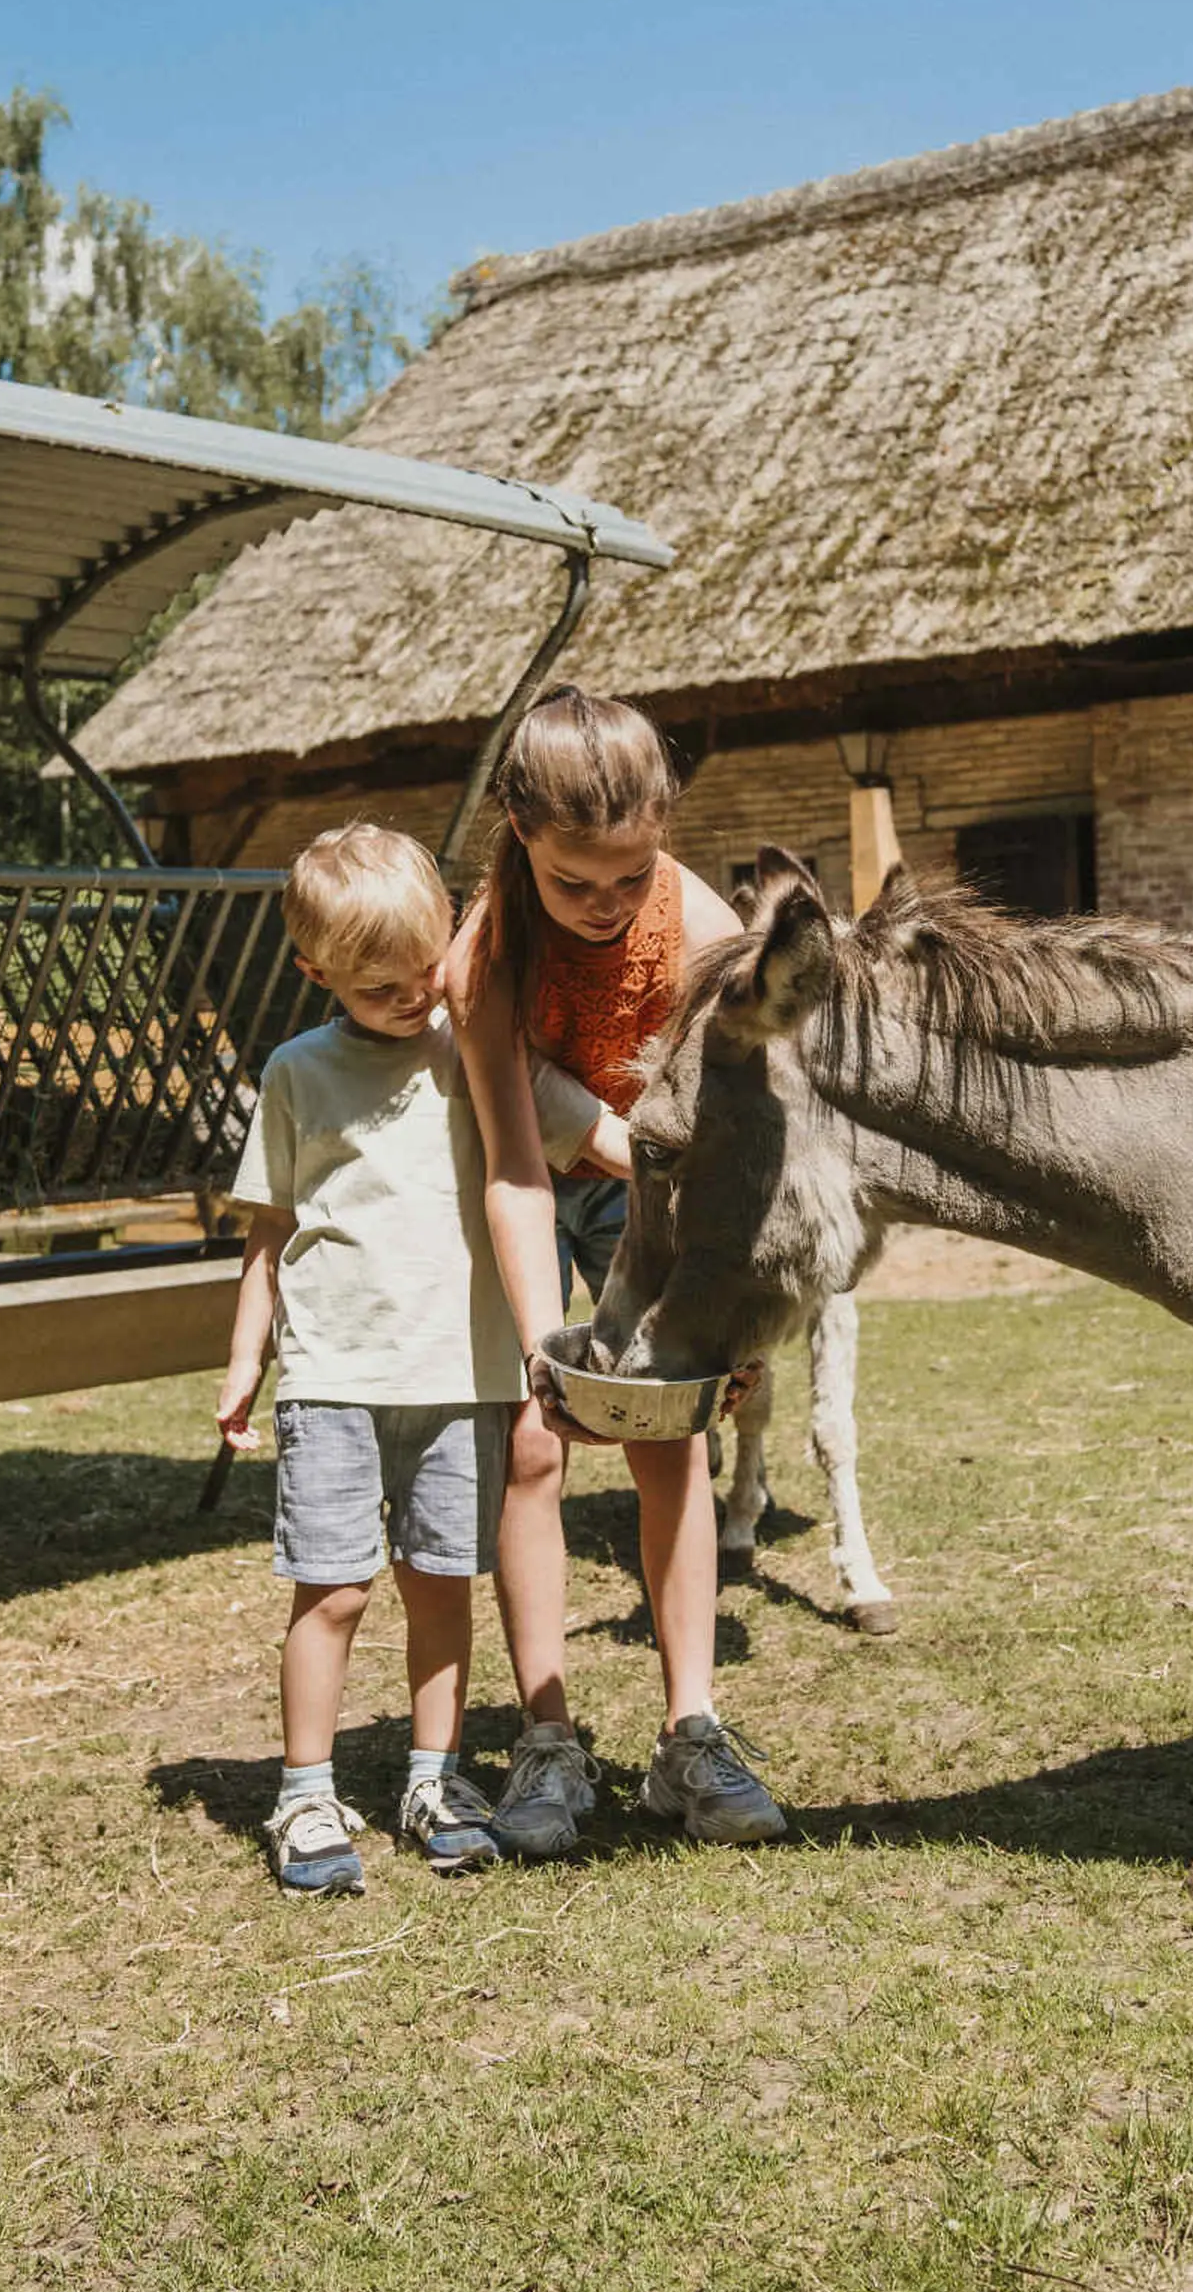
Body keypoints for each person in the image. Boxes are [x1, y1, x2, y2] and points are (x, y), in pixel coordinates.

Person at [217, 823, 622, 1896]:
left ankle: (433, 1777)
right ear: (317, 975)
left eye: (424, 972)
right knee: (334, 1590)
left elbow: (589, 1129)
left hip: (462, 1379)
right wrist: (244, 1362)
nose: (413, 998)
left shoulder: (475, 1047)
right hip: (338, 1378)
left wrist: (690, 1161)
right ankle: (305, 1788)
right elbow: (269, 1234)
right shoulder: (296, 1073)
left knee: (443, 1580)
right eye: (379, 987)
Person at [449, 686, 791, 1852]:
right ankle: (546, 1736)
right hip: (533, 1179)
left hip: (660, 1183)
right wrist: (550, 1345)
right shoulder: (484, 960)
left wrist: (732, 1326)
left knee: (670, 1426)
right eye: (572, 883)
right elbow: (510, 1164)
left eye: (627, 879)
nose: (602, 907)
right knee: (534, 1442)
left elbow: (734, 1151)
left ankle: (690, 1731)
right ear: (518, 832)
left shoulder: (700, 929)